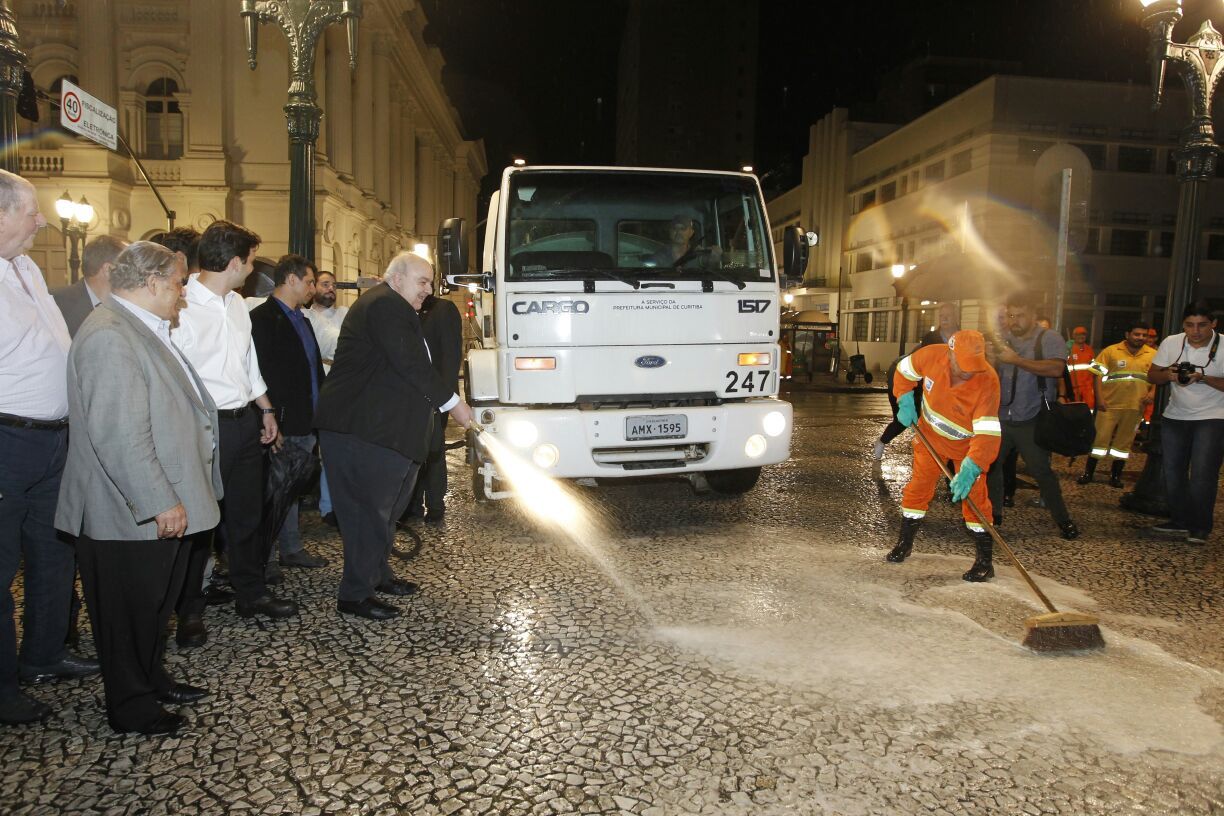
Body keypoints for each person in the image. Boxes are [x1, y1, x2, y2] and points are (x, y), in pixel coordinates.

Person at [55, 242, 221, 735]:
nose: (183, 292)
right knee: (127, 615)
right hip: (127, 510)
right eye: (177, 282)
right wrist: (158, 501)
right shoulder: (110, 335)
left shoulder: (138, 327)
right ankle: (130, 705)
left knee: (152, 607)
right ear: (150, 283)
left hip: (157, 501)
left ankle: (151, 677)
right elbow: (120, 435)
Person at [315, 252, 474, 621]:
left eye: (430, 283)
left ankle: (377, 575)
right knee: (367, 514)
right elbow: (410, 363)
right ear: (397, 278)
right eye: (422, 282)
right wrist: (453, 403)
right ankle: (354, 594)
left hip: (384, 431)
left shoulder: (394, 306)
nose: (428, 290)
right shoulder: (384, 304)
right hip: (362, 431)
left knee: (385, 512)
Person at [0, 170, 99, 726]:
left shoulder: (27, 266)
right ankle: (2, 683)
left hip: (53, 439)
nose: (41, 220)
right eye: (29, 211)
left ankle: (44, 653)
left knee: (53, 551)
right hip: (7, 439)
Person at [171, 221, 298, 629]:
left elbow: (247, 363)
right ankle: (189, 609)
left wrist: (266, 409)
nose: (252, 269)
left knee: (247, 515)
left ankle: (251, 593)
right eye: (249, 261)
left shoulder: (239, 305)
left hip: (244, 423)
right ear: (232, 262)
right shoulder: (182, 303)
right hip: (203, 427)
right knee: (198, 522)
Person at [886, 330, 1002, 581]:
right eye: (963, 366)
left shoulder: (988, 381)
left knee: (975, 500)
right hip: (930, 438)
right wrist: (904, 400)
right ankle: (904, 544)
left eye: (974, 366)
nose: (969, 372)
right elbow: (903, 371)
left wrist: (973, 467)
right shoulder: (930, 355)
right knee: (918, 488)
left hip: (967, 447)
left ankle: (985, 562)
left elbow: (988, 432)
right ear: (949, 354)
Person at [250, 255, 328, 567]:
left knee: (292, 490)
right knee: (272, 493)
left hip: (306, 419)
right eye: (309, 281)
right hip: (278, 423)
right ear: (291, 279)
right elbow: (258, 375)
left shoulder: (304, 320)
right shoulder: (262, 319)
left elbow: (314, 371)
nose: (313, 288)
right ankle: (264, 558)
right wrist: (269, 419)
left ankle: (291, 549)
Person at [985, 294, 1080, 540]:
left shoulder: (1048, 338)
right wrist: (991, 360)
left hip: (1032, 418)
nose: (1014, 321)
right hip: (1002, 416)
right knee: (991, 466)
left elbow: (1056, 368)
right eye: (1011, 315)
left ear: (1033, 315)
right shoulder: (1003, 339)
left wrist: (1017, 360)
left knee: (1041, 471)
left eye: (1020, 315)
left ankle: (1063, 520)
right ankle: (993, 514)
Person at [1147, 302, 1224, 545]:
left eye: (1202, 325)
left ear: (1213, 324)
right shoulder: (1172, 342)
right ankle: (1179, 520)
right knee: (1173, 472)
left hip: (1213, 416)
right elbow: (1152, 375)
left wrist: (1202, 378)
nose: (1196, 331)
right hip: (1176, 416)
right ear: (1184, 325)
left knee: (1203, 474)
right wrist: (1169, 375)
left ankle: (1200, 527)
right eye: (1190, 325)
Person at [404, 291, 464, 523]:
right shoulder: (404, 309)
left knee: (434, 450)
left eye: (428, 281)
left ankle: (436, 503)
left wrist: (445, 398)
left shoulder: (443, 309)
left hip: (436, 395)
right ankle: (414, 503)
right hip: (410, 396)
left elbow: (450, 358)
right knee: (414, 448)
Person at [875, 302, 958, 460]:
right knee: (906, 420)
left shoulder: (962, 338)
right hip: (922, 387)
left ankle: (947, 470)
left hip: (949, 391)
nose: (944, 318)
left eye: (948, 315)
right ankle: (882, 442)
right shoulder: (931, 338)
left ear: (956, 317)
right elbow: (922, 365)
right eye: (942, 316)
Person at [1078, 321, 1155, 487]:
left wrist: (1152, 393)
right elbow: (1096, 375)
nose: (1140, 338)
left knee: (1123, 444)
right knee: (1099, 440)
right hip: (1109, 405)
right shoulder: (1111, 351)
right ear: (1127, 335)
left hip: (1135, 407)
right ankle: (1088, 473)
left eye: (1144, 335)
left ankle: (1115, 476)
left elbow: (1156, 377)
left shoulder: (1152, 354)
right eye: (1137, 334)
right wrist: (1099, 399)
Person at [305, 270, 348, 527]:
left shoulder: (345, 314)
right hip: (317, 383)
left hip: (343, 385)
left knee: (336, 447)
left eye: (333, 284)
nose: (330, 288)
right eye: (324, 284)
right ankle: (322, 502)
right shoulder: (306, 316)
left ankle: (334, 504)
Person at [52, 235, 127, 337]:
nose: (133, 275)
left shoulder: (124, 307)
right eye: (127, 268)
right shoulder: (55, 303)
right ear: (108, 269)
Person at [1063, 326, 1100, 408]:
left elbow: (1095, 368)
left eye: (1083, 334)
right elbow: (1062, 368)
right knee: (1072, 411)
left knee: (1088, 410)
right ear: (1073, 336)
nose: (1081, 336)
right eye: (1078, 334)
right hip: (1073, 388)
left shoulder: (1089, 349)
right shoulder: (1068, 349)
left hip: (1088, 388)